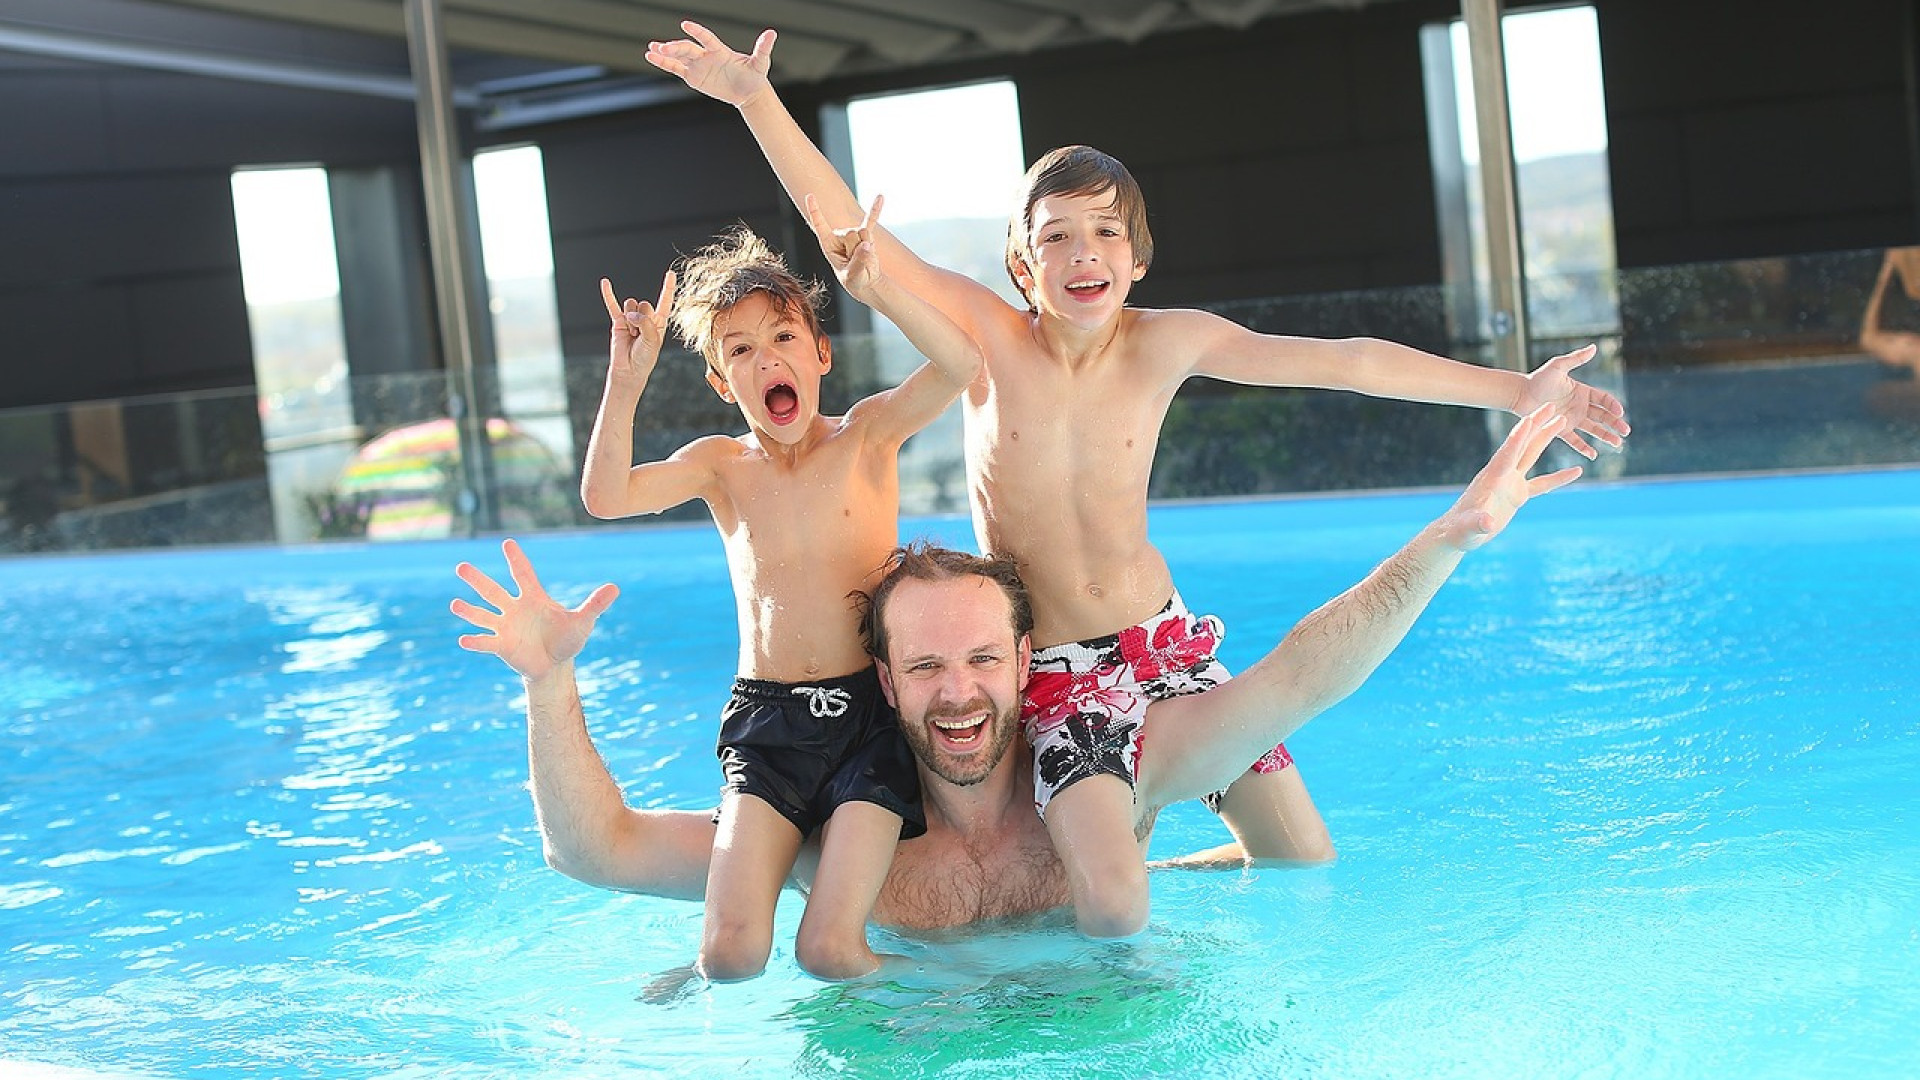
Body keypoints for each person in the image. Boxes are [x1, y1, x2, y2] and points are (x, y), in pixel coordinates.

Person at [643, 22, 1632, 937]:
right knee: (1112, 908)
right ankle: (1115, 856)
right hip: (1063, 671)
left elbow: (1348, 360)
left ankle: (1170, 849)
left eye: (1106, 232)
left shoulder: (1170, 344)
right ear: (1022, 267)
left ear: (1138, 257)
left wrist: (1514, 388)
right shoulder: (989, 341)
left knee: (1299, 855)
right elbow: (848, 233)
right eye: (1056, 235)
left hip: (1165, 637)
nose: (1083, 254)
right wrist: (753, 100)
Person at [454, 406, 1583, 960]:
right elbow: (590, 852)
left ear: (1026, 663)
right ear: (885, 685)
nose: (960, 693)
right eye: (929, 665)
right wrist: (548, 688)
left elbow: (1297, 680)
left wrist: (1448, 539)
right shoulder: (828, 839)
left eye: (985, 659)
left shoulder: (1112, 780)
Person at [571, 205, 981, 981]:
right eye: (742, 351)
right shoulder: (722, 466)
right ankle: (709, 963)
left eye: (784, 339)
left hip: (870, 721)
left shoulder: (867, 435)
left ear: (821, 354)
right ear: (723, 383)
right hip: (768, 724)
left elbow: (961, 365)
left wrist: (880, 288)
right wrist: (626, 381)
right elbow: (605, 496)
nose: (768, 362)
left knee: (827, 950)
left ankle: (970, 996)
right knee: (727, 957)